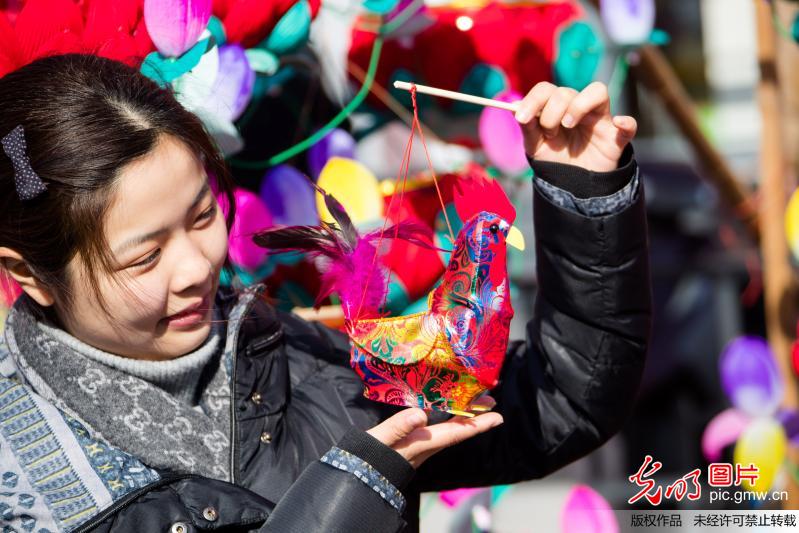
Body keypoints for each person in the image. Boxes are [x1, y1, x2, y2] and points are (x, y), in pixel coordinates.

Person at [0, 53, 651, 532]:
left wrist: (583, 190)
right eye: (144, 255)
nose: (197, 265)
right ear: (29, 272)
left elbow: (558, 398)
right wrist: (350, 494)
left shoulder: (296, 355)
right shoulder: (25, 483)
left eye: (203, 216)